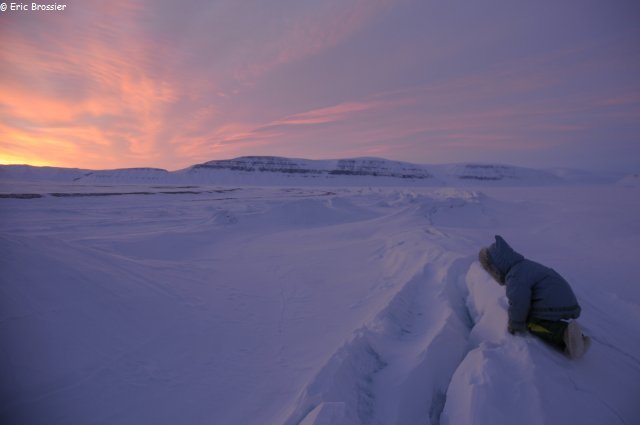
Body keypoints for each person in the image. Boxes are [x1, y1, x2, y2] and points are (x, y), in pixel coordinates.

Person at [479, 235, 591, 359]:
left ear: (497, 267)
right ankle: (579, 338)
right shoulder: (523, 266)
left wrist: (515, 325)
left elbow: (519, 303)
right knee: (535, 314)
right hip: (563, 299)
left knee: (531, 323)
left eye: (491, 270)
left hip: (553, 302)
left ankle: (565, 335)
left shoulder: (515, 276)